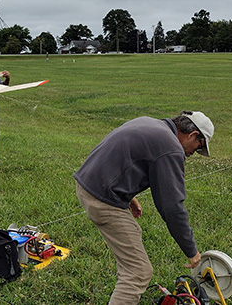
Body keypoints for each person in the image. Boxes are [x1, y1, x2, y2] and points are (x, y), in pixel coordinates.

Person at [73, 111, 214, 304]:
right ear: (192, 135)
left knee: (133, 233)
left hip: (89, 184)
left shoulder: (151, 124)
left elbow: (122, 157)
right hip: (102, 198)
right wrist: (192, 251)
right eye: (199, 146)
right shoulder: (171, 148)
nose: (194, 153)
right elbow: (172, 207)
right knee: (139, 272)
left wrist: (128, 196)